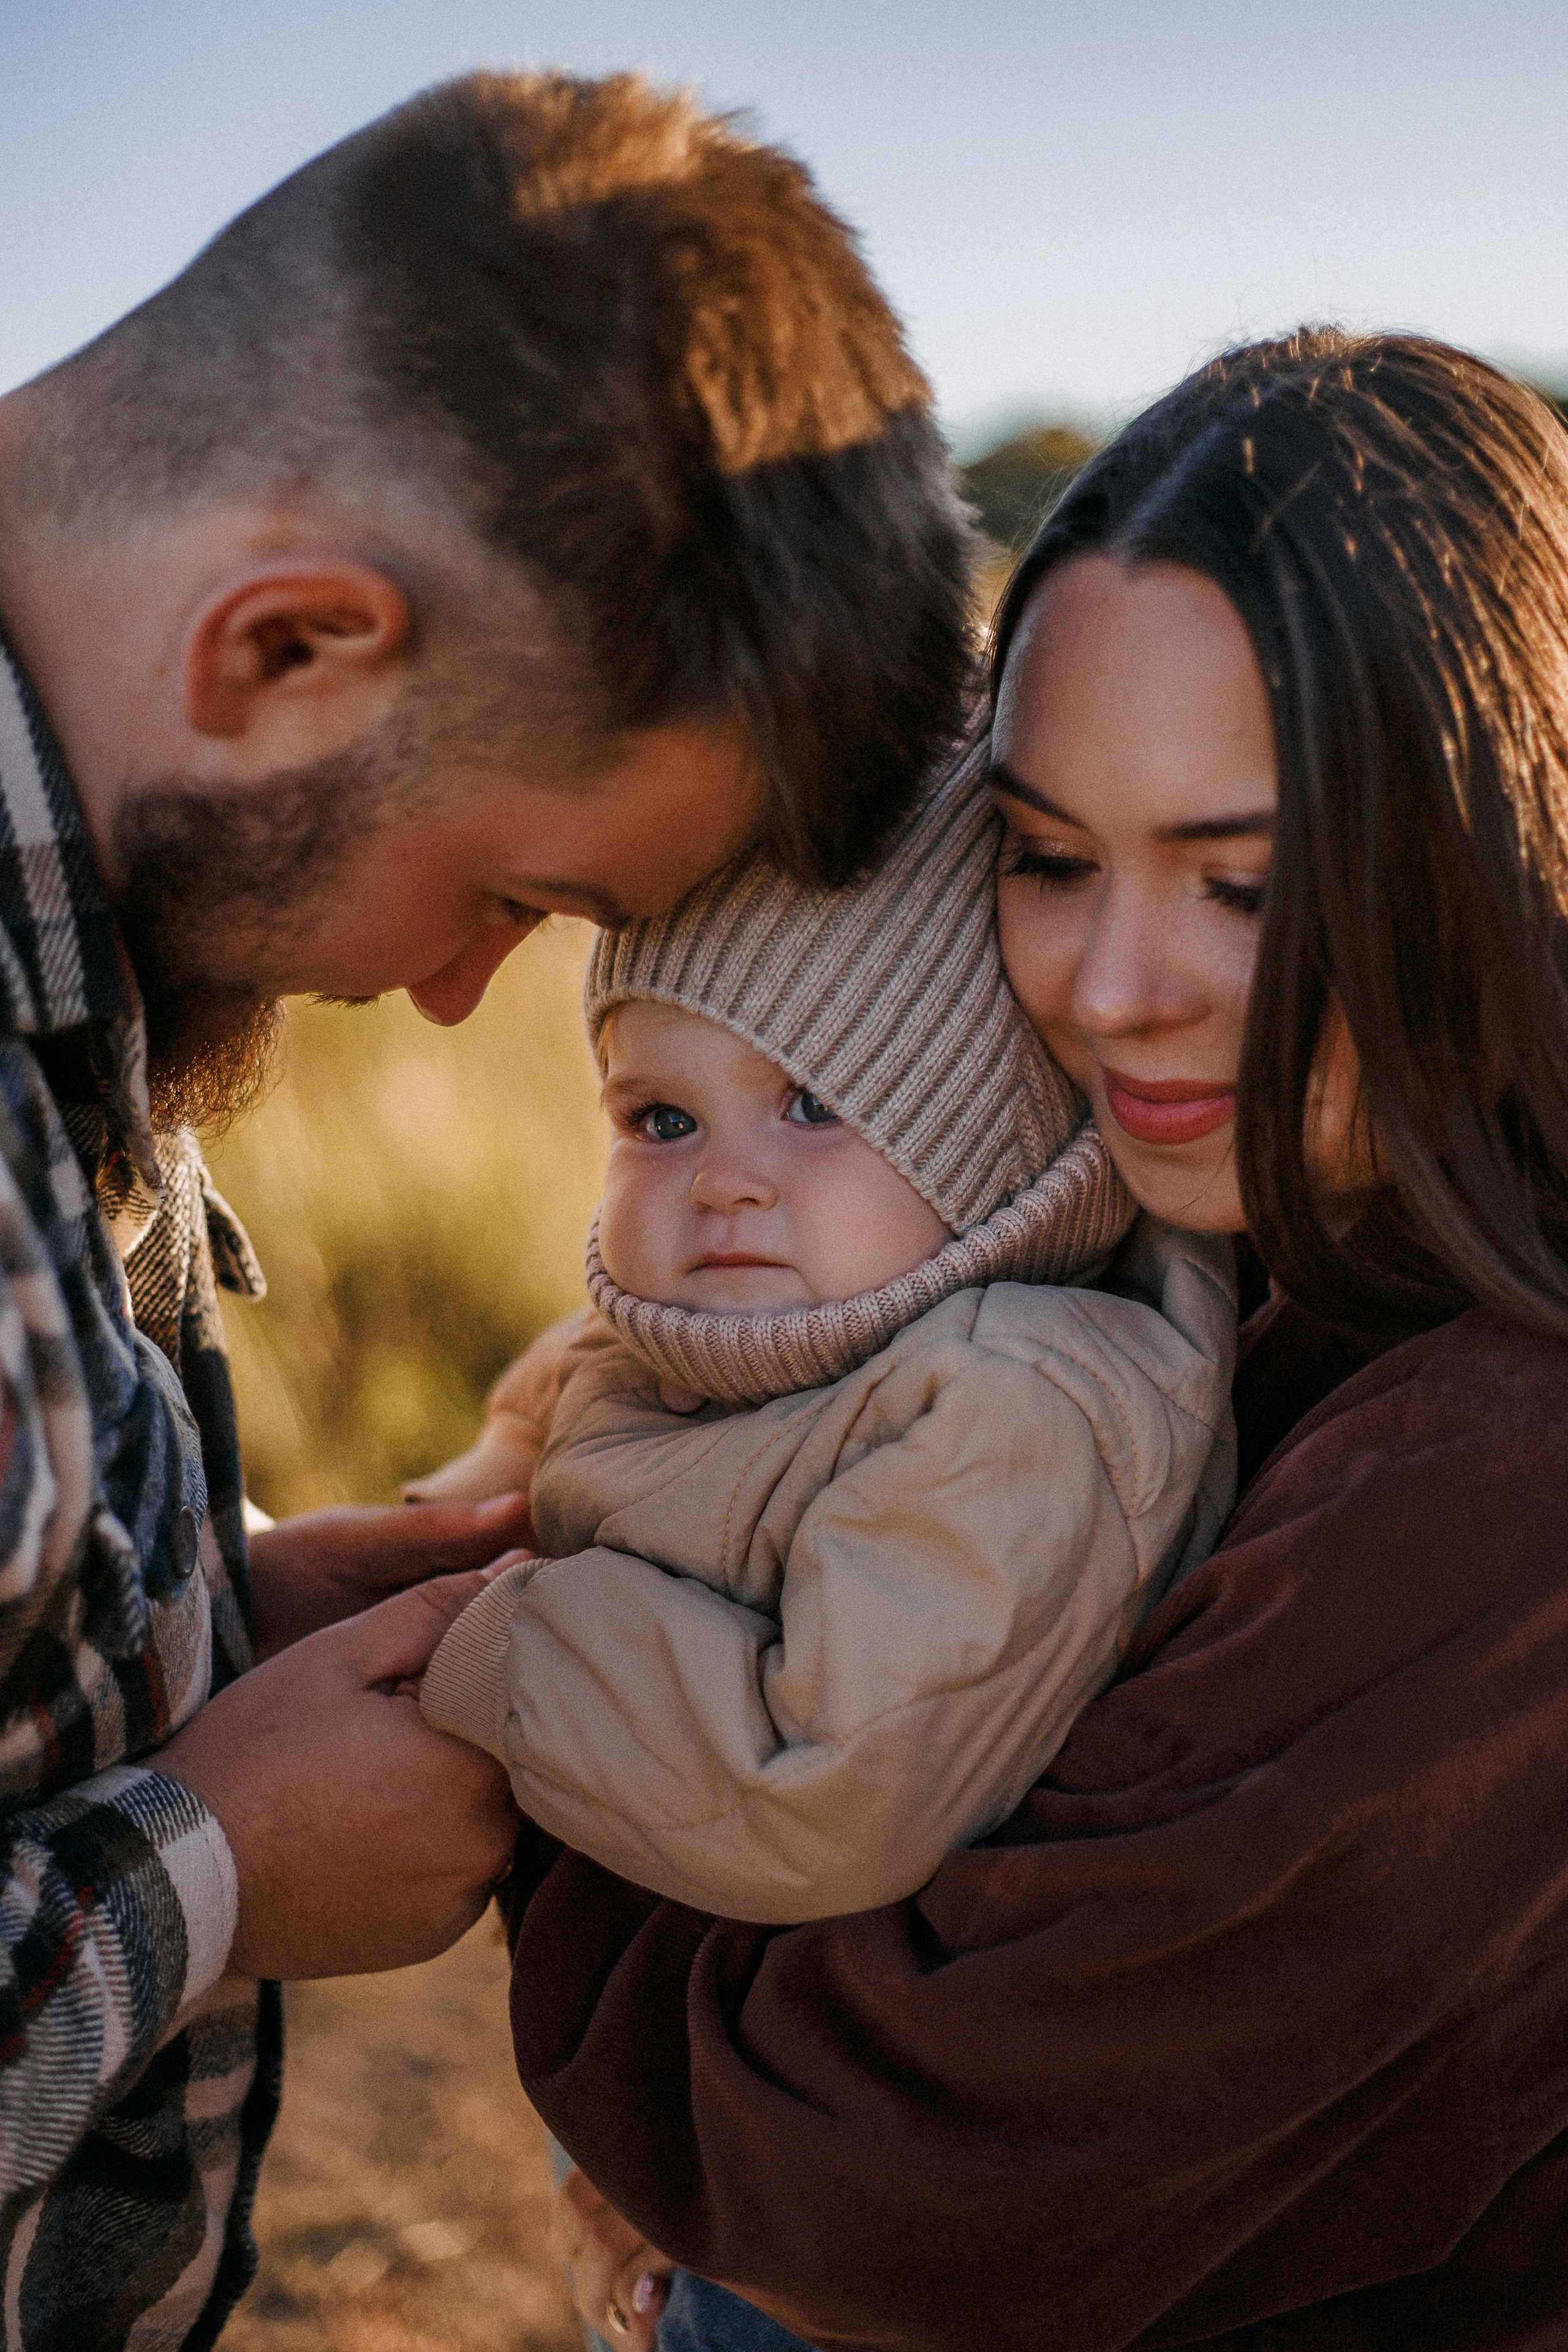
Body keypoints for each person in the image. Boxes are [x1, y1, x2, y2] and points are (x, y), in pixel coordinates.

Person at [0, 68, 973, 2349]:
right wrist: (205, 1874)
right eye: (510, 893)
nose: (447, 1002)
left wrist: (196, 1616)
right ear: (287, 650)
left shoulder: (89, 927)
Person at [510, 327, 1568, 2352]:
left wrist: (541, 1804)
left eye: (1245, 885)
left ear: (1482, 850)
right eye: (1048, 858)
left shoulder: (1505, 1469)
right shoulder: (1240, 1254)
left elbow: (905, 2157)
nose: (1110, 987)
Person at [413, 753, 1235, 1923]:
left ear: (989, 1143)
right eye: (662, 1119)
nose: (725, 1183)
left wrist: (498, 1639)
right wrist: (486, 1476)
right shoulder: (751, 1330)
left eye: (813, 1107)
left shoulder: (1013, 1414)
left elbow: (823, 1796)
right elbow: (587, 1373)